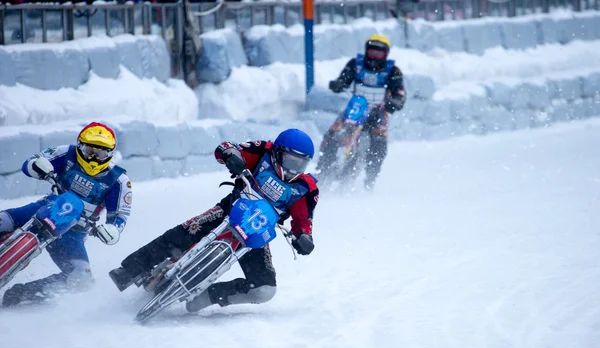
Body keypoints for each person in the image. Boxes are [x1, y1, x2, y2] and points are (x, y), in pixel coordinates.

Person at [108, 128, 318, 313]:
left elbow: (303, 220)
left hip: (257, 232)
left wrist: (303, 237)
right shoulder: (262, 151)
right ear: (277, 153)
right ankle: (129, 269)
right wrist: (231, 155)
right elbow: (226, 147)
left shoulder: (305, 188)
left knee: (264, 290)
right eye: (290, 160)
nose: (294, 168)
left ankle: (209, 296)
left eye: (301, 163)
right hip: (231, 208)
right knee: (183, 233)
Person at [0, 122, 132, 307]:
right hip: (46, 207)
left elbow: (120, 214)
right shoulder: (65, 152)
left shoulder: (119, 180)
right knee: (3, 220)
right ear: (79, 146)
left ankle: (23, 293)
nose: (93, 157)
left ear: (110, 154)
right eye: (89, 151)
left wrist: (112, 228)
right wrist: (37, 166)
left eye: (101, 153)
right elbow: (31, 163)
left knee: (82, 280)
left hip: (73, 232)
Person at [317, 34, 406, 189]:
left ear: (386, 54)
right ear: (366, 51)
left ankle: (370, 179)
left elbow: (400, 94)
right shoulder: (355, 64)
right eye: (372, 52)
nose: (374, 57)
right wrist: (338, 84)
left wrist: (395, 102)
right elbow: (344, 79)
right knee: (332, 134)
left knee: (378, 146)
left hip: (379, 112)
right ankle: (323, 169)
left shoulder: (394, 71)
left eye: (379, 54)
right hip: (355, 108)